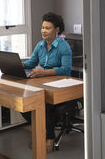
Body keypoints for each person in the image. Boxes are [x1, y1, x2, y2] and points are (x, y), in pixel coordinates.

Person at [22, 12, 72, 153]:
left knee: (45, 104)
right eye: (43, 27)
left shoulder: (64, 46)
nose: (43, 31)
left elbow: (65, 69)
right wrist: (20, 65)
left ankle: (50, 137)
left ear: (57, 30)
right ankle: (42, 132)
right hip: (44, 84)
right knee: (26, 103)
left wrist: (44, 72)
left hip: (62, 85)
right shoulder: (40, 45)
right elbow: (31, 62)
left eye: (48, 28)